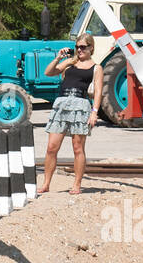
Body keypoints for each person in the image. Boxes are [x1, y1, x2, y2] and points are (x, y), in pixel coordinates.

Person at [39, 32, 103, 195]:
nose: (79, 50)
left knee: (78, 148)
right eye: (77, 47)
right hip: (62, 103)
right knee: (51, 147)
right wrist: (58, 57)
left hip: (80, 105)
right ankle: (46, 183)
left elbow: (98, 91)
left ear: (91, 48)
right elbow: (48, 72)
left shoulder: (96, 68)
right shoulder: (70, 62)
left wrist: (94, 112)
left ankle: (76, 184)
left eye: (82, 47)